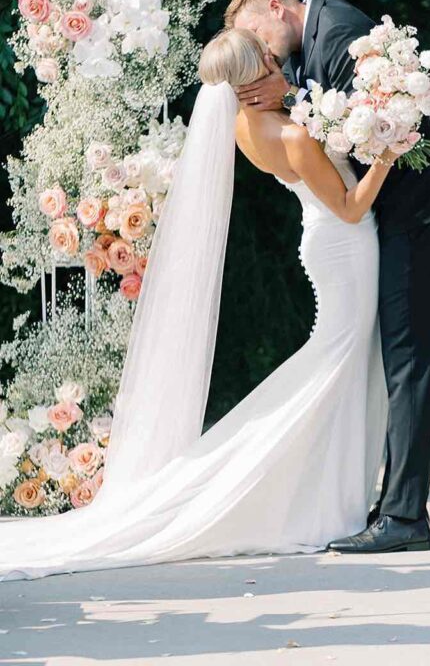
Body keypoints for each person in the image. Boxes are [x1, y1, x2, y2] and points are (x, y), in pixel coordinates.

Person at [0, 29, 397, 580]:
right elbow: (352, 208)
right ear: (252, 75)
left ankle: (326, 497)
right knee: (337, 364)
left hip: (326, 243)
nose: (276, 57)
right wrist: (387, 151)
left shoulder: (242, 126)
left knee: (338, 364)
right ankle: (312, 497)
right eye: (265, 59)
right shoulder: (290, 135)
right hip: (343, 244)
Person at [227, 0, 430, 553]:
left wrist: (291, 101)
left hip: (420, 212)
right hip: (386, 218)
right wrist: (291, 99)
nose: (264, 55)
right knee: (397, 355)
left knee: (409, 356)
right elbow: (339, 128)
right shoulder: (319, 35)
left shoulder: (337, 32)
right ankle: (389, 505)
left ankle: (405, 518)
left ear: (275, 6)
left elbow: (359, 133)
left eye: (259, 38)